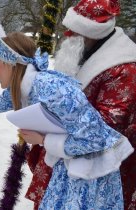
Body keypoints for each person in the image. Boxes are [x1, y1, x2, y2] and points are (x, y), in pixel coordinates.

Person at [0, 19, 134, 209]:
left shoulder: (53, 90)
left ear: (11, 65)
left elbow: (96, 139)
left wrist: (44, 139)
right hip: (69, 166)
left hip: (92, 174)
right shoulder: (23, 87)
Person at [26, 0, 136, 209]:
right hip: (65, 161)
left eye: (74, 30)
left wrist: (46, 138)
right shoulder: (85, 52)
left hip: (97, 172)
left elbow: (105, 132)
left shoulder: (124, 69)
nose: (68, 35)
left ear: (93, 32)